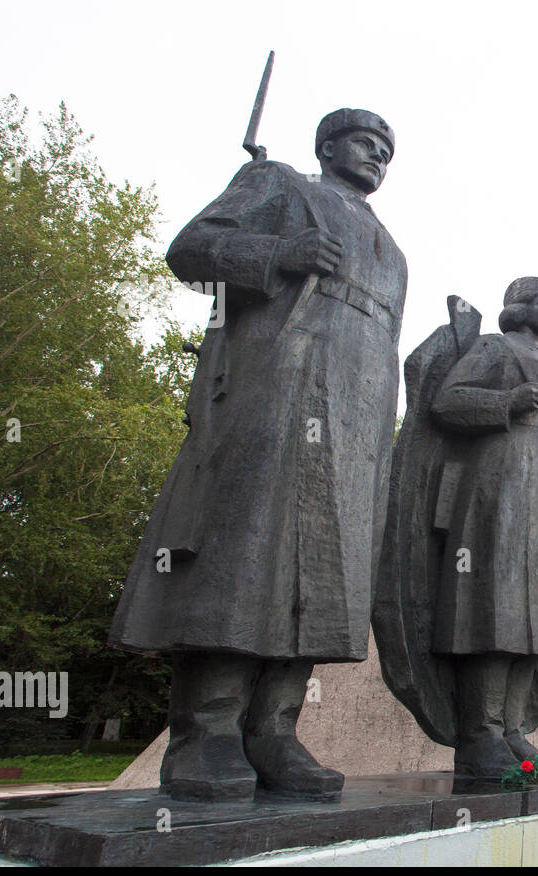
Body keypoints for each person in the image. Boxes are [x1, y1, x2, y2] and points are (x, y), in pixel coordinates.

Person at [109, 109, 406, 800]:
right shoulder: (277, 181)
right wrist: (279, 254)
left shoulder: (390, 244)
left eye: (388, 151)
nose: (379, 157)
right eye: (367, 142)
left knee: (322, 572)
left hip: (357, 422)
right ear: (328, 145)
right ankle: (205, 734)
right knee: (247, 553)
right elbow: (192, 251)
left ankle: (273, 729)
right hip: (276, 388)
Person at [378, 277, 538, 778]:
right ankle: (480, 732)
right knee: (497, 605)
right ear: (517, 308)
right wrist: (508, 402)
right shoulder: (494, 347)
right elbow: (447, 402)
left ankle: (513, 729)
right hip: (499, 478)